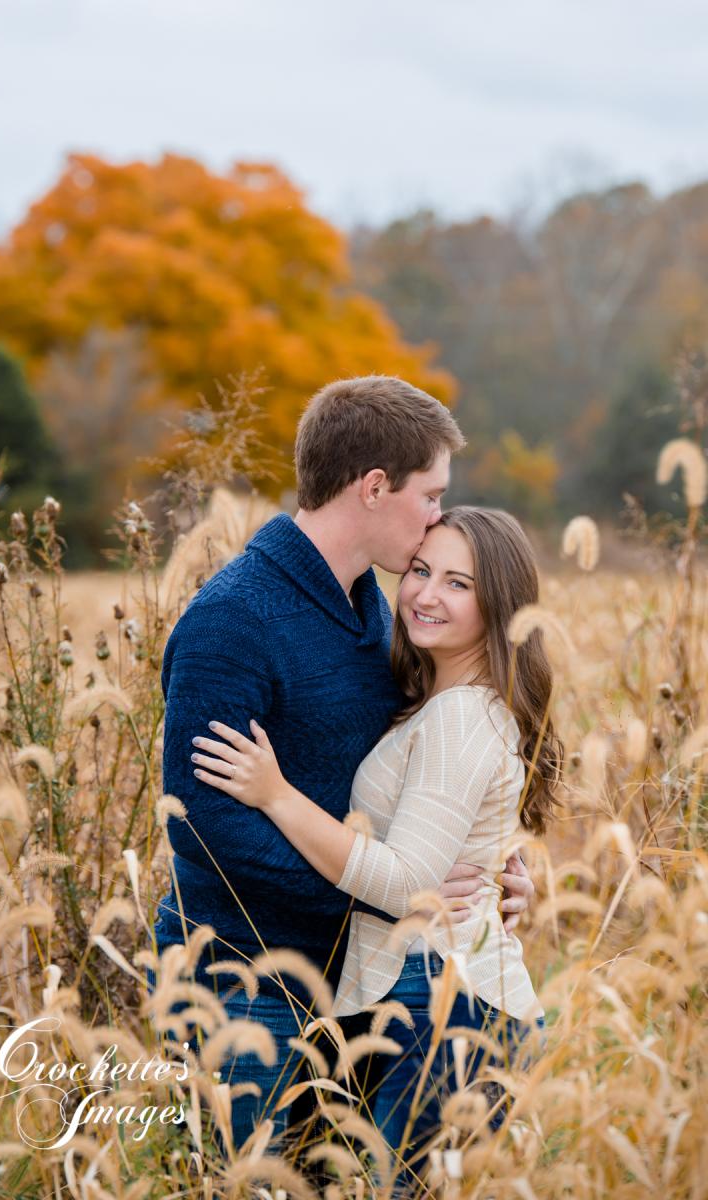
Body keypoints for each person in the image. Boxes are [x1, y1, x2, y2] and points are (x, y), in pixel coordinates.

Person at [154, 376, 536, 1152]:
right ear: (373, 487)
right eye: (430, 494)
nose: (437, 516)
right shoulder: (233, 619)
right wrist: (394, 895)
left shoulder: (374, 603)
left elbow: (435, 763)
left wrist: (489, 864)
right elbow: (207, 824)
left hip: (361, 987)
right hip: (244, 980)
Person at [193, 506, 562, 1188]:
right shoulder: (442, 702)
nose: (424, 593)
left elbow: (406, 884)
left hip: (448, 1009)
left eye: (459, 583)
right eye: (421, 570)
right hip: (424, 1003)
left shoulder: (459, 717)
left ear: (500, 603)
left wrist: (276, 795)